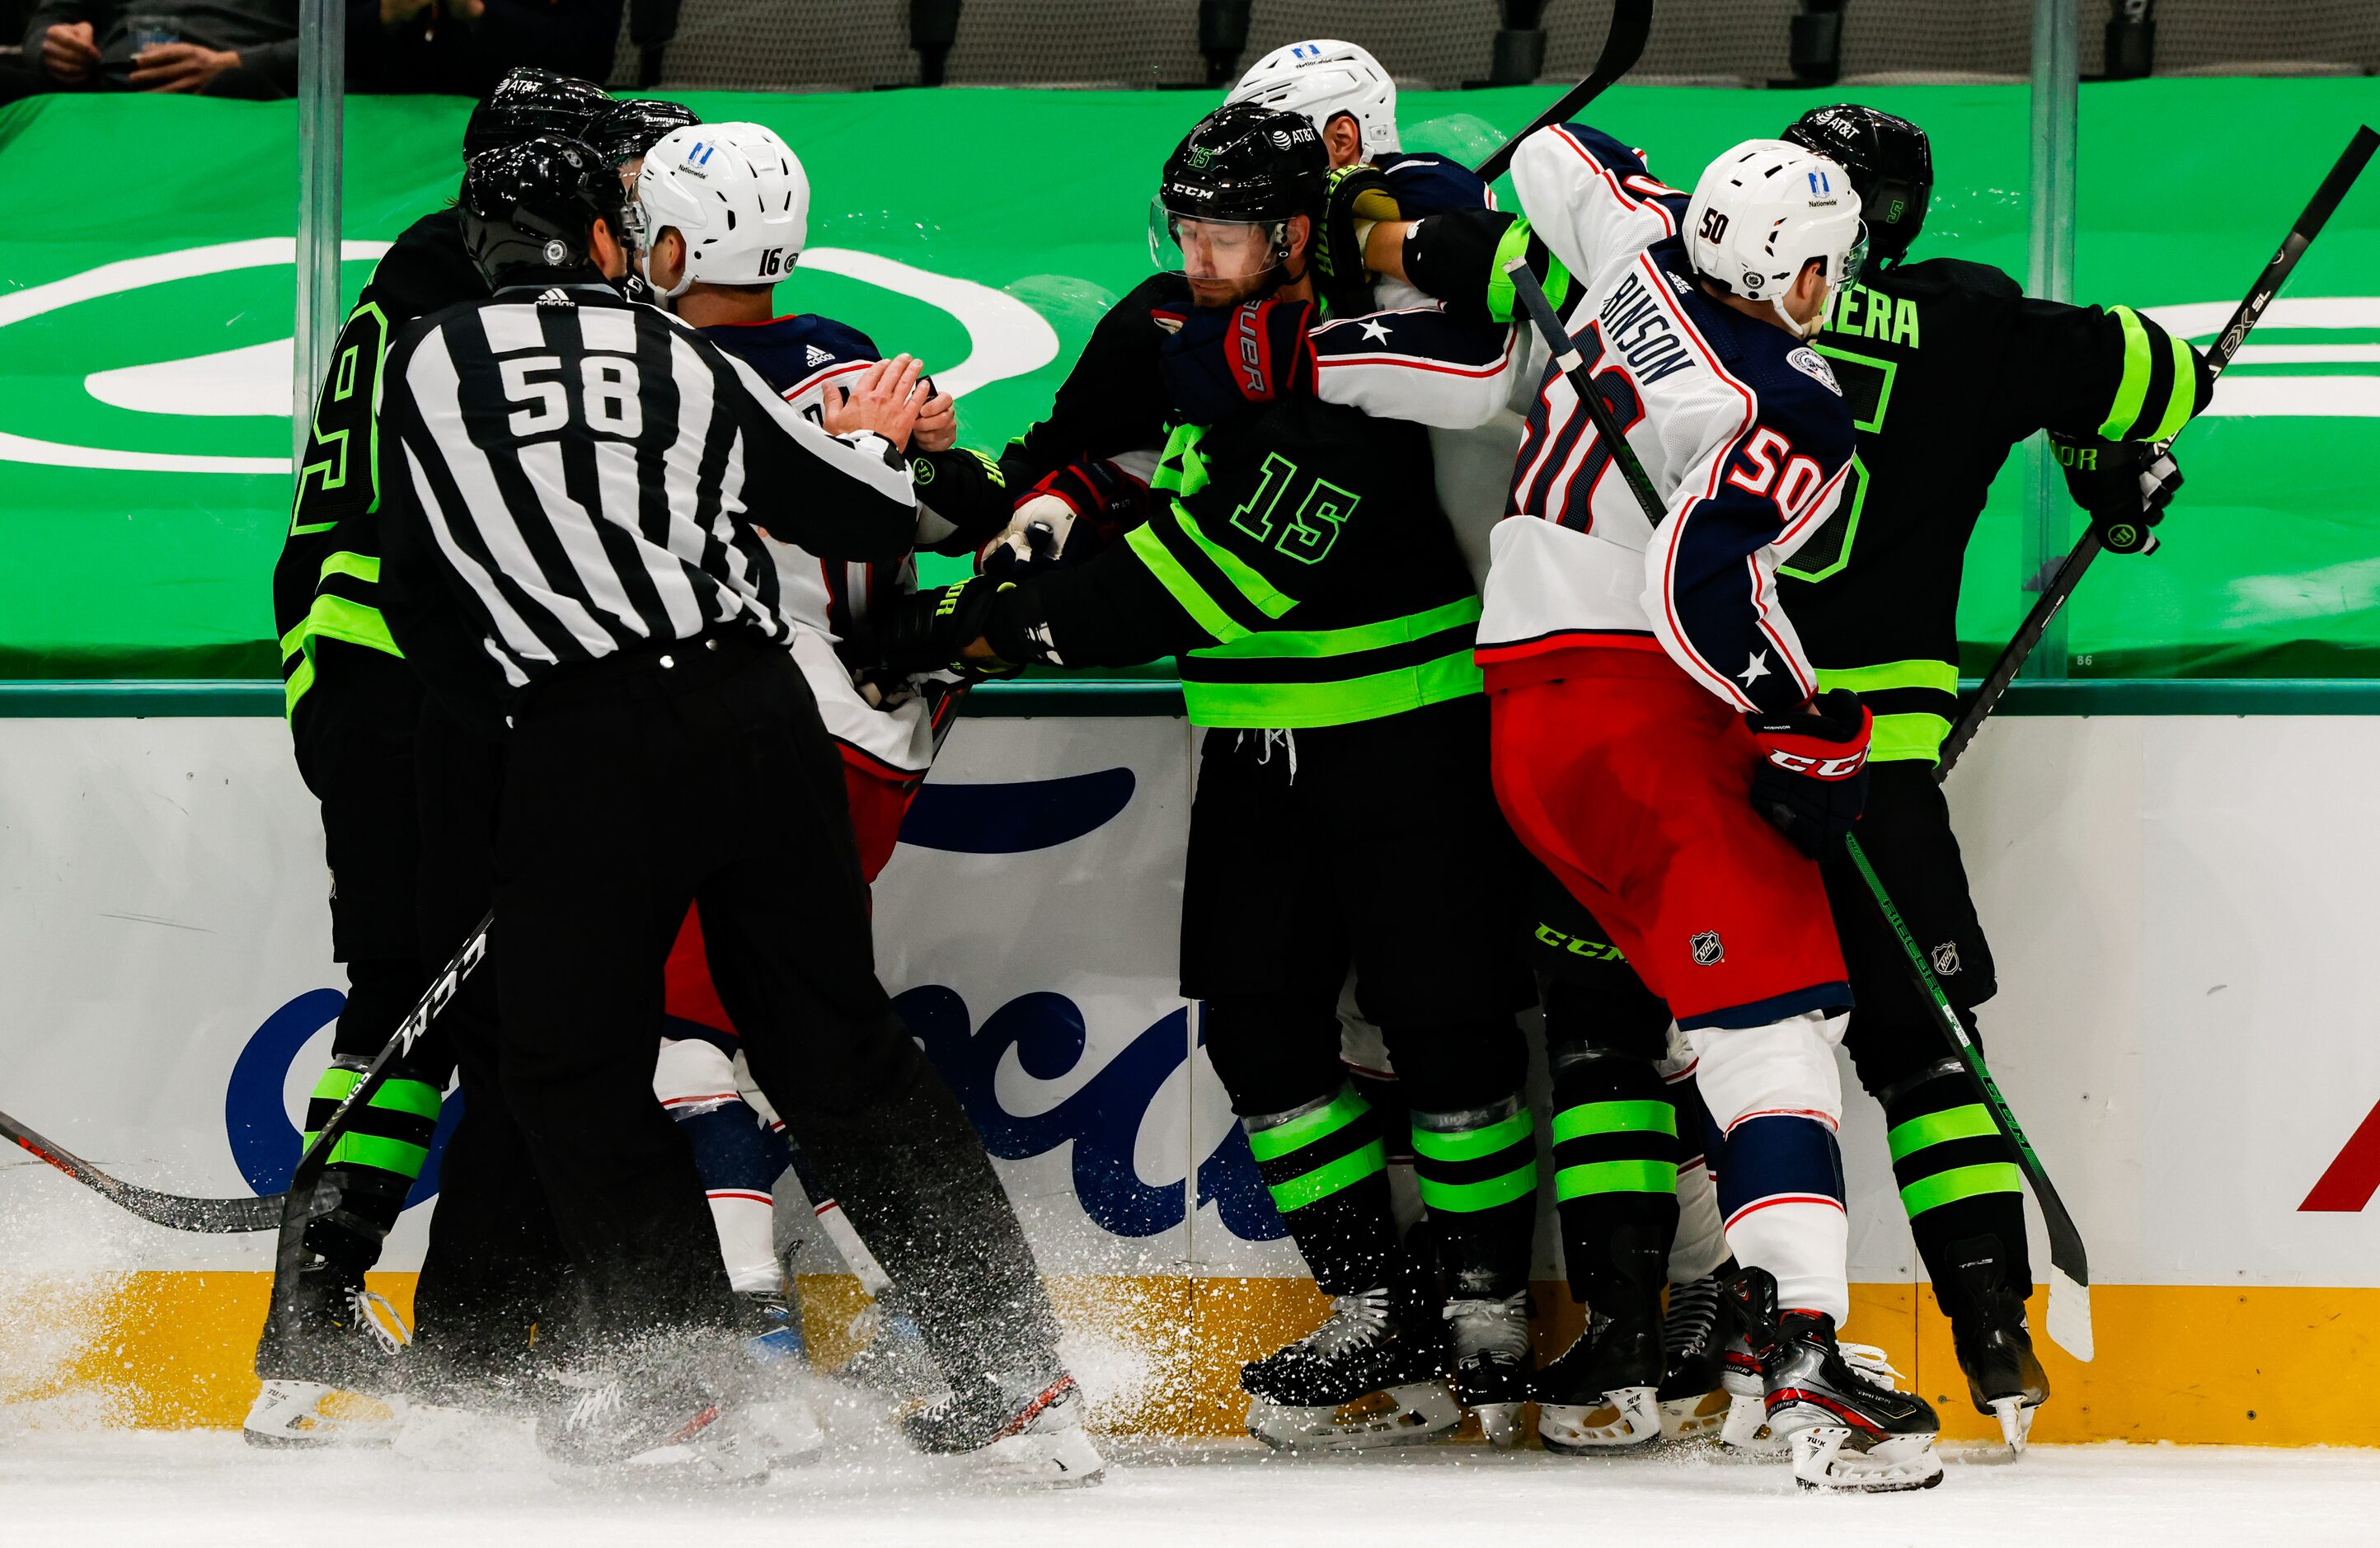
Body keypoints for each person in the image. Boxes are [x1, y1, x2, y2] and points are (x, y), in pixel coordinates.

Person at [375, 134, 1095, 1483]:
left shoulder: (431, 360)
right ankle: (1013, 1364)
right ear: (602, 244)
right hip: (761, 717)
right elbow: (843, 504)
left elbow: (427, 593)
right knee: (840, 1049)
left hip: (593, 736)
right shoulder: (684, 363)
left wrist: (494, 801)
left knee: (568, 1056)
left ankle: (696, 1374)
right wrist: (906, 452)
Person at [879, 104, 1540, 1452]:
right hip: (1249, 745)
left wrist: (988, 622)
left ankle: (1483, 1310)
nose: (1195, 252)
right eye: (1181, 227)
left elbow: (1219, 569)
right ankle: (1375, 1302)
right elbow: (1110, 466)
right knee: (1257, 1026)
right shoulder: (1188, 331)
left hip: (1402, 736)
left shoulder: (1359, 358)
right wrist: (1019, 510)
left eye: (1222, 231)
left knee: (1446, 1025)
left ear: (1298, 233)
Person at [1340, 124, 1946, 1491]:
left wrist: (1466, 219)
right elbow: (1694, 584)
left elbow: (1557, 148)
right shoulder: (1790, 399)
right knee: (1777, 1025)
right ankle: (1800, 1356)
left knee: (1698, 1026)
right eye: (1821, 269)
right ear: (1793, 272)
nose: (1827, 291)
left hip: (1527, 725)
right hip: (1642, 717)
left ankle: (1750, 1316)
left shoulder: (1636, 245)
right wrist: (1806, 720)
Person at [1768, 102, 2211, 1451]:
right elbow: (2161, 375)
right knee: (1919, 1051)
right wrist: (2108, 466)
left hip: (1717, 745)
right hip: (1881, 762)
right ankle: (1989, 1321)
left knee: (1697, 1042)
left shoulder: (1710, 310)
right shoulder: (1964, 317)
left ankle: (1684, 1329)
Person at [252, 64, 612, 1448]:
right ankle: (327, 1295)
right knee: (437, 994)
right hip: (409, 676)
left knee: (417, 990)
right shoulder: (461, 277)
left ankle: (323, 1302)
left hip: (362, 666)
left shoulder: (423, 259)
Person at [23, 0, 294, 96]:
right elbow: (52, 18)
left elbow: (334, 43)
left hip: (237, 92)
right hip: (106, 94)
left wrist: (239, 63)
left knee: (234, 84)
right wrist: (53, 46)